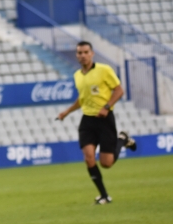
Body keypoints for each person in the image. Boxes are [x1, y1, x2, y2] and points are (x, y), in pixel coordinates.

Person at [57, 41, 137, 205]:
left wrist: (106, 107)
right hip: (87, 121)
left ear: (92, 53)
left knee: (106, 163)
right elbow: (82, 99)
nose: (83, 55)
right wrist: (66, 112)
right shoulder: (77, 75)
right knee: (88, 158)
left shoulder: (104, 70)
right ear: (76, 55)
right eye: (80, 52)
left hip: (104, 119)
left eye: (86, 52)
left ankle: (122, 139)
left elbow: (119, 90)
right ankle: (104, 196)